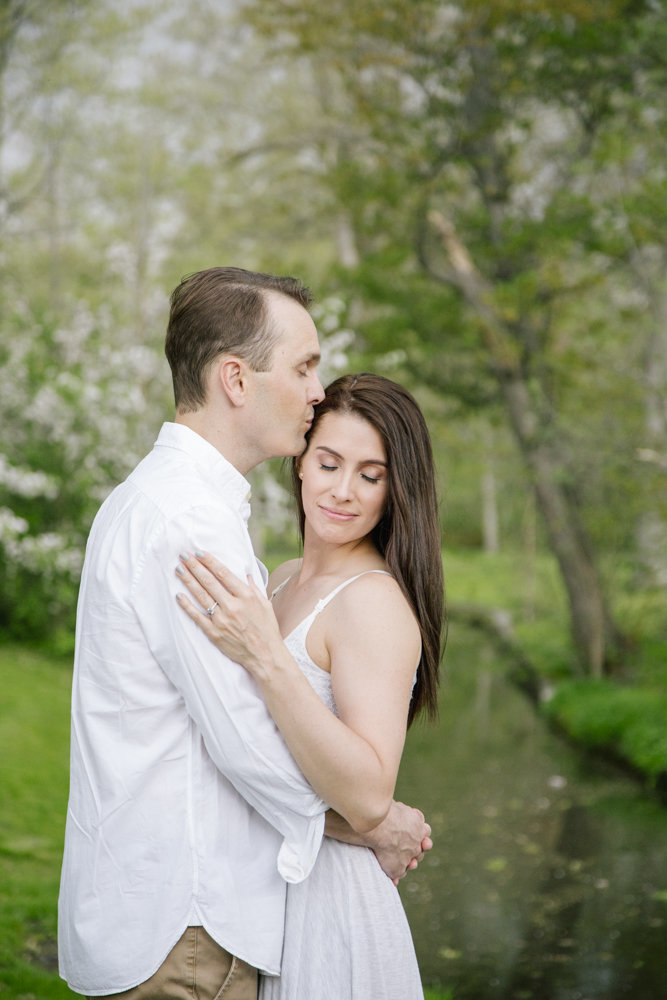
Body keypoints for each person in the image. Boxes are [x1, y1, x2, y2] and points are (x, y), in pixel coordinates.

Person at [58, 270, 431, 999]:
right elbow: (242, 741)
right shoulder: (193, 525)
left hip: (191, 912)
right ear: (236, 378)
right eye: (302, 366)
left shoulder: (166, 503)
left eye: (369, 475)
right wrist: (369, 825)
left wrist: (366, 811)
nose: (316, 389)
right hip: (185, 920)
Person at [175, 372, 445, 999]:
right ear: (300, 463)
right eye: (328, 462)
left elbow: (370, 794)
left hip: (330, 904)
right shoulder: (284, 579)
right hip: (265, 887)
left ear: (394, 491)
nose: (342, 491)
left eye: (370, 475)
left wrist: (268, 658)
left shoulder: (372, 602)